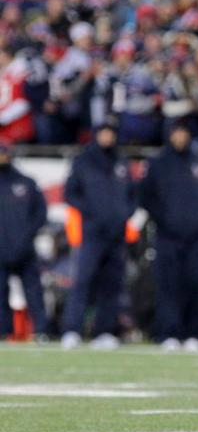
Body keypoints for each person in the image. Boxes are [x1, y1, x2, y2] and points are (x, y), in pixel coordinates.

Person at [141, 121, 198, 351]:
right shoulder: (158, 163)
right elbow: (146, 196)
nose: (179, 137)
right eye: (176, 133)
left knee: (196, 285)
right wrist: (162, 219)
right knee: (168, 285)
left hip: (196, 236)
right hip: (167, 236)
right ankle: (168, 332)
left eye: (183, 133)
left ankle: (195, 333)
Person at [61, 120, 136, 349]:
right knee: (82, 281)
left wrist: (125, 213)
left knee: (112, 285)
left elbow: (133, 194)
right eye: (103, 133)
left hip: (116, 234)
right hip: (92, 233)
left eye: (111, 134)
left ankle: (103, 331)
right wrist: (91, 212)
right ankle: (71, 330)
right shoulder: (84, 161)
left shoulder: (121, 162)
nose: (107, 138)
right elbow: (70, 193)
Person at [0, 140, 48, 340]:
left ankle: (42, 331)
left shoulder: (25, 182)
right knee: (1, 293)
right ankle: (4, 331)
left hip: (25, 248)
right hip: (0, 249)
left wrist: (27, 235)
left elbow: (40, 212)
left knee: (34, 292)